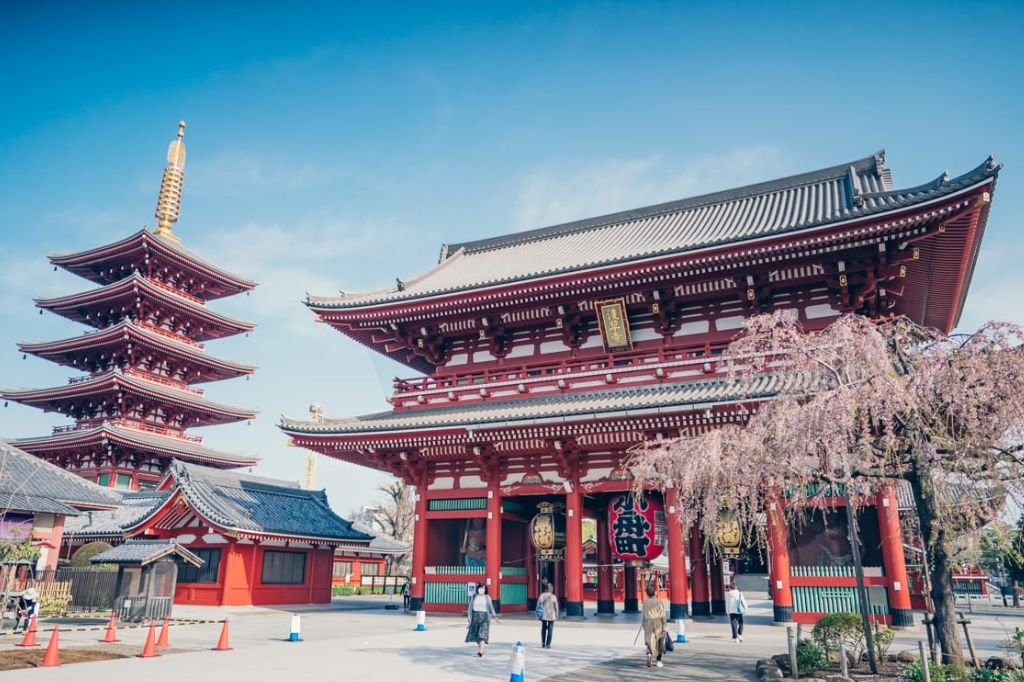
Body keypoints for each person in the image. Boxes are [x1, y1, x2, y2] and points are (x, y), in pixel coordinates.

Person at [466, 584, 498, 657]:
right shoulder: (474, 597)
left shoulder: (487, 597)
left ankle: (480, 652)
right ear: (477, 589)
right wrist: (469, 616)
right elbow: (470, 607)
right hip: (475, 617)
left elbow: (491, 607)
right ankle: (481, 649)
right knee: (476, 635)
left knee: (482, 635)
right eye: (480, 588)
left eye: (483, 588)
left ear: (485, 589)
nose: (481, 590)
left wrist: (494, 616)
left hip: (485, 618)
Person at [641, 583, 667, 668]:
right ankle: (659, 660)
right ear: (655, 592)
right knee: (660, 641)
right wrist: (664, 626)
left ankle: (649, 654)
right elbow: (662, 614)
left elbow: (644, 615)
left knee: (649, 641)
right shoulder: (659, 601)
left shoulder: (645, 602)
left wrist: (643, 624)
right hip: (658, 622)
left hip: (648, 622)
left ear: (647, 593)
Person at [536, 581, 559, 649]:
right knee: (550, 629)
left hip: (544, 615)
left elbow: (538, 605)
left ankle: (543, 642)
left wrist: (538, 614)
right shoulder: (554, 597)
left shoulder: (542, 596)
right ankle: (548, 644)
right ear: (551, 589)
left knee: (543, 628)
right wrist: (557, 614)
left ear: (545, 589)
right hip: (552, 615)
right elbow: (556, 607)